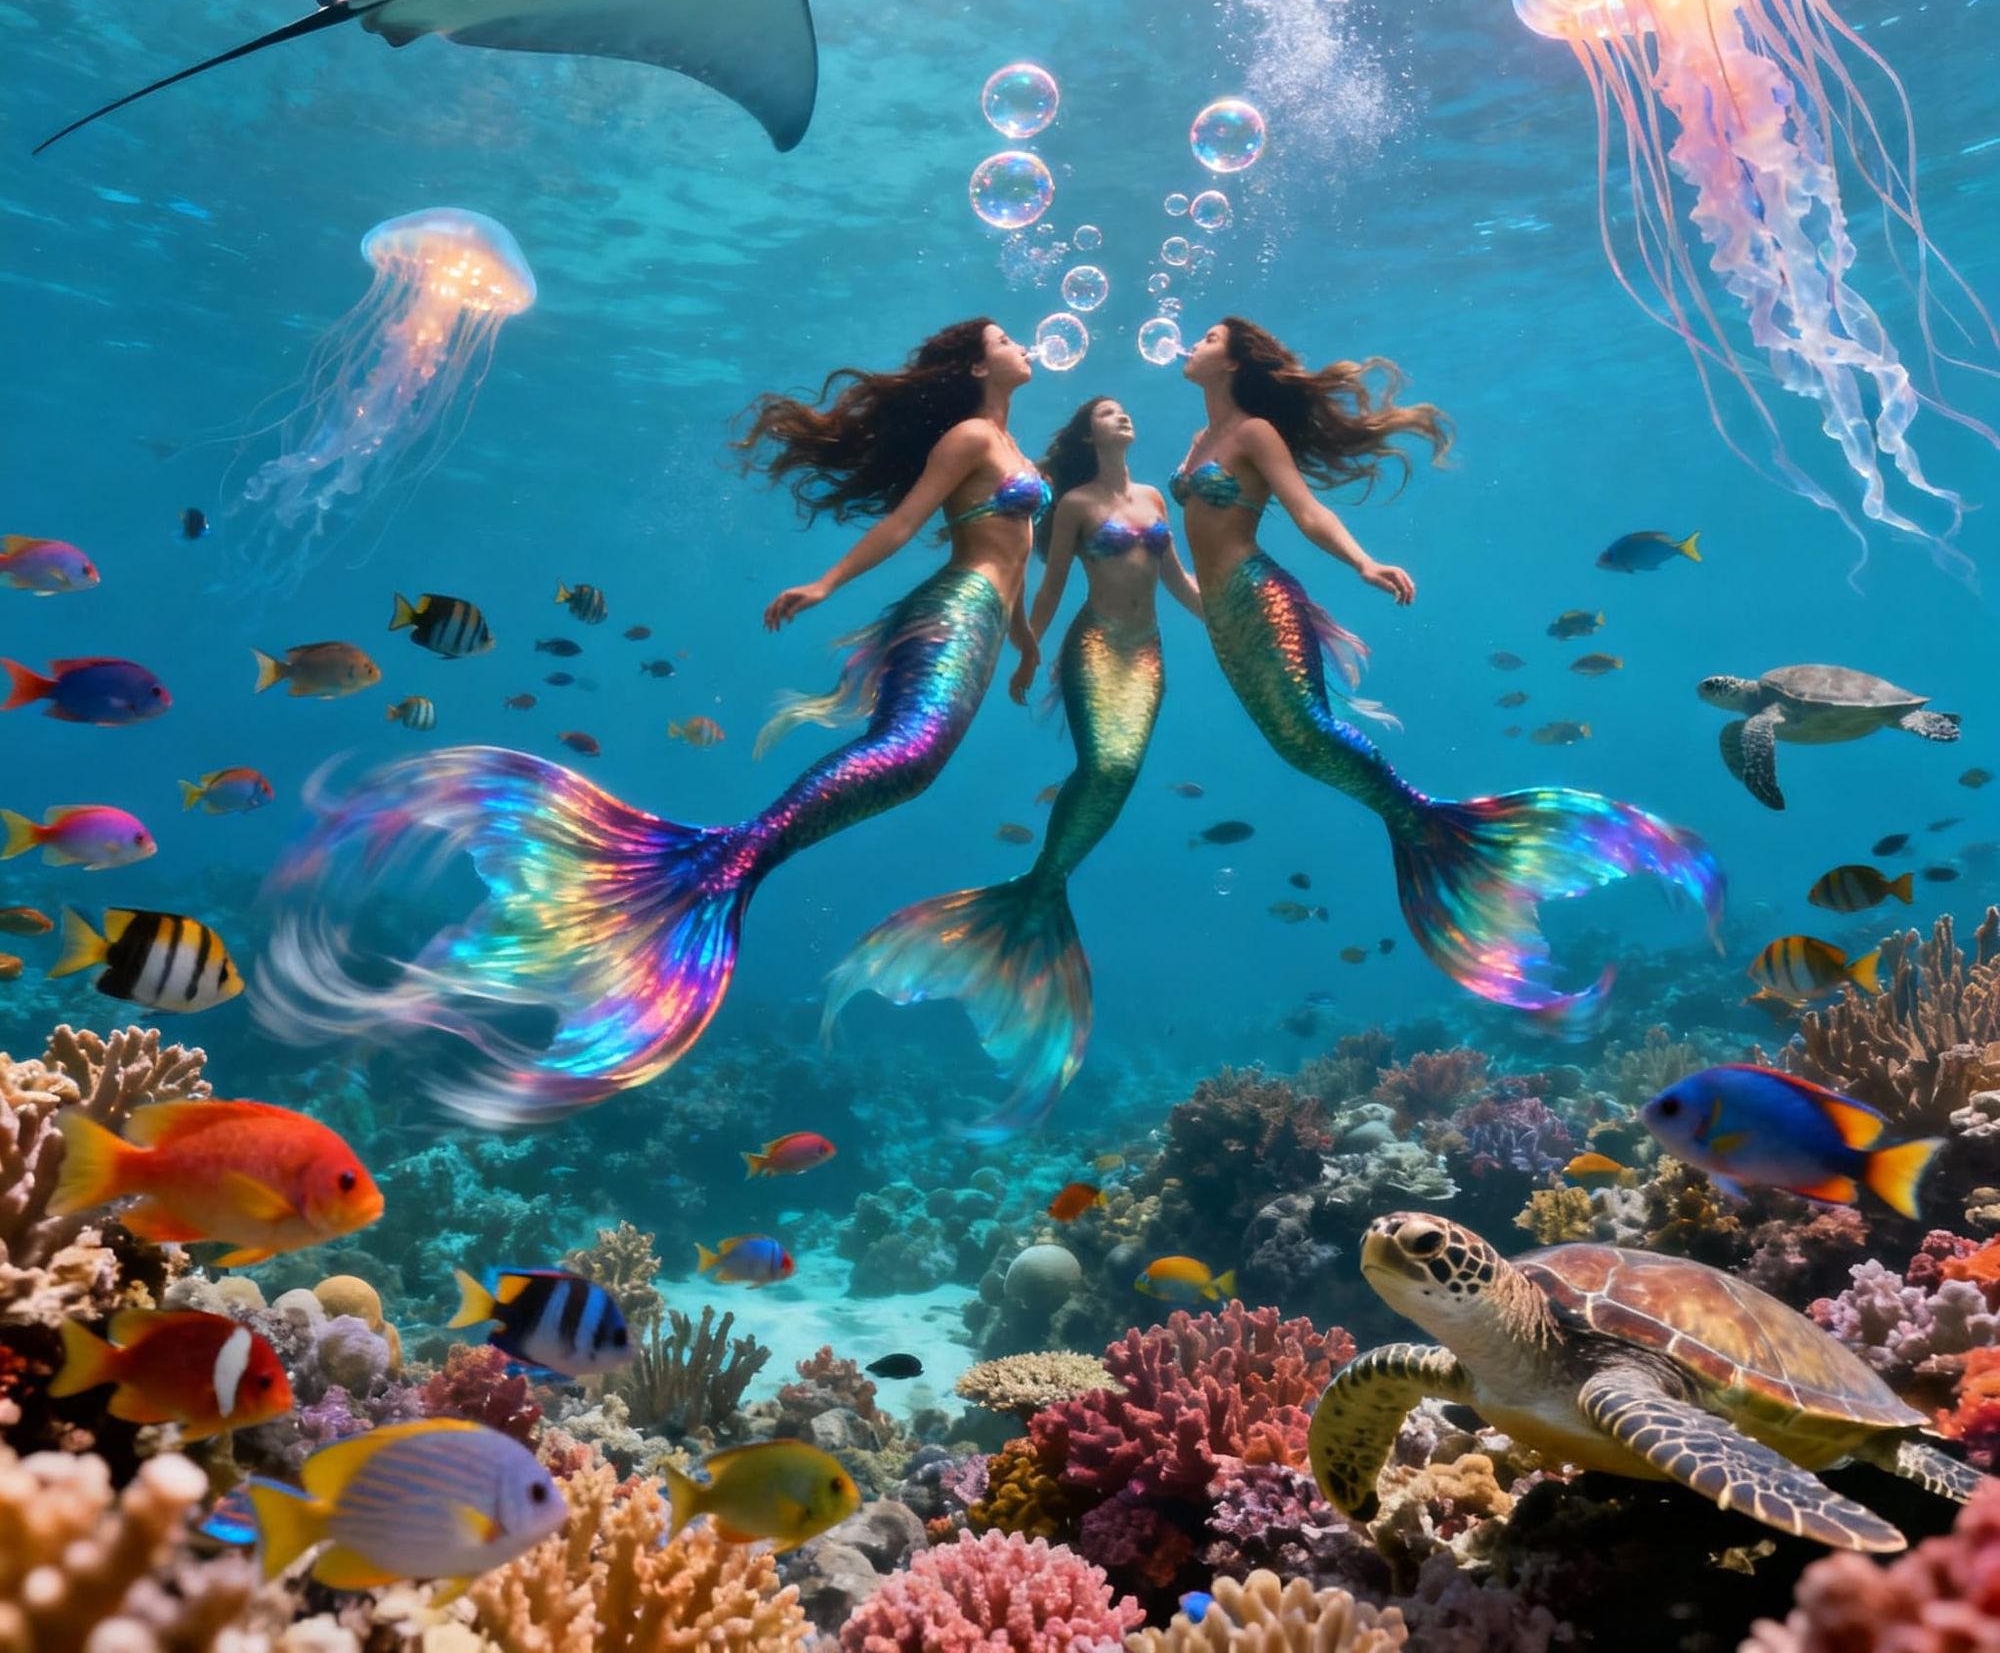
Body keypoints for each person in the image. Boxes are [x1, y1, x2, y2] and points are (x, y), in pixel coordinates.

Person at [258, 321, 1047, 1122]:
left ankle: (737, 859)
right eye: (1005, 337)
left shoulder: (1018, 452)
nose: (1023, 344)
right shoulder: (974, 434)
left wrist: (1023, 647)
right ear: (980, 364)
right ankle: (738, 857)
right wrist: (825, 583)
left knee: (914, 767)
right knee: (906, 757)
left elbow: (1019, 554)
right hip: (955, 610)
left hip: (987, 623)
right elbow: (906, 524)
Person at [1175, 317, 1722, 1016]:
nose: (1195, 343)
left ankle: (1428, 825)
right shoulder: (1198, 443)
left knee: (1306, 731)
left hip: (1258, 598)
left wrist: (1365, 563)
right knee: (1294, 746)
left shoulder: (1253, 433)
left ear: (1234, 361)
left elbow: (1307, 512)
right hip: (1221, 610)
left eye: (1209, 336)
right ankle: (1426, 832)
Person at [822, 394, 1200, 1135]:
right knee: (1110, 762)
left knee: (1118, 777)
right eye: (1109, 413)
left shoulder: (1154, 497)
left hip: (1148, 657)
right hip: (1093, 648)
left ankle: (1040, 890)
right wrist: (1027, 650)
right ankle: (1038, 891)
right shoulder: (1076, 504)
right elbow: (1052, 584)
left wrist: (1226, 624)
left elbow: (1181, 582)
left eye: (1128, 412)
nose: (1124, 419)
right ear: (1088, 432)